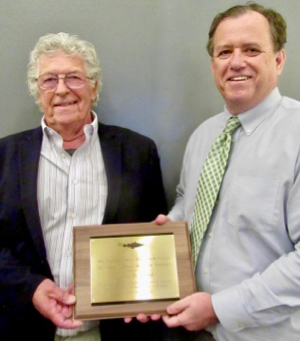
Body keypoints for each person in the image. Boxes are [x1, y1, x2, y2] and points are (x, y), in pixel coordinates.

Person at [141, 2, 300, 340]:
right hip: (193, 329)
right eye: (224, 51)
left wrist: (219, 308)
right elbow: (190, 201)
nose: (236, 62)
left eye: (252, 49)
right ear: (213, 64)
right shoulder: (203, 136)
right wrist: (171, 226)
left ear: (279, 59)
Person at [0, 32, 167, 341]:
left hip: (114, 330)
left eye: (74, 77)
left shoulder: (137, 151)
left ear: (94, 86)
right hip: (24, 327)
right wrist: (31, 287)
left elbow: (154, 239)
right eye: (49, 80)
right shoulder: (5, 155)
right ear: (38, 92)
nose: (62, 89)